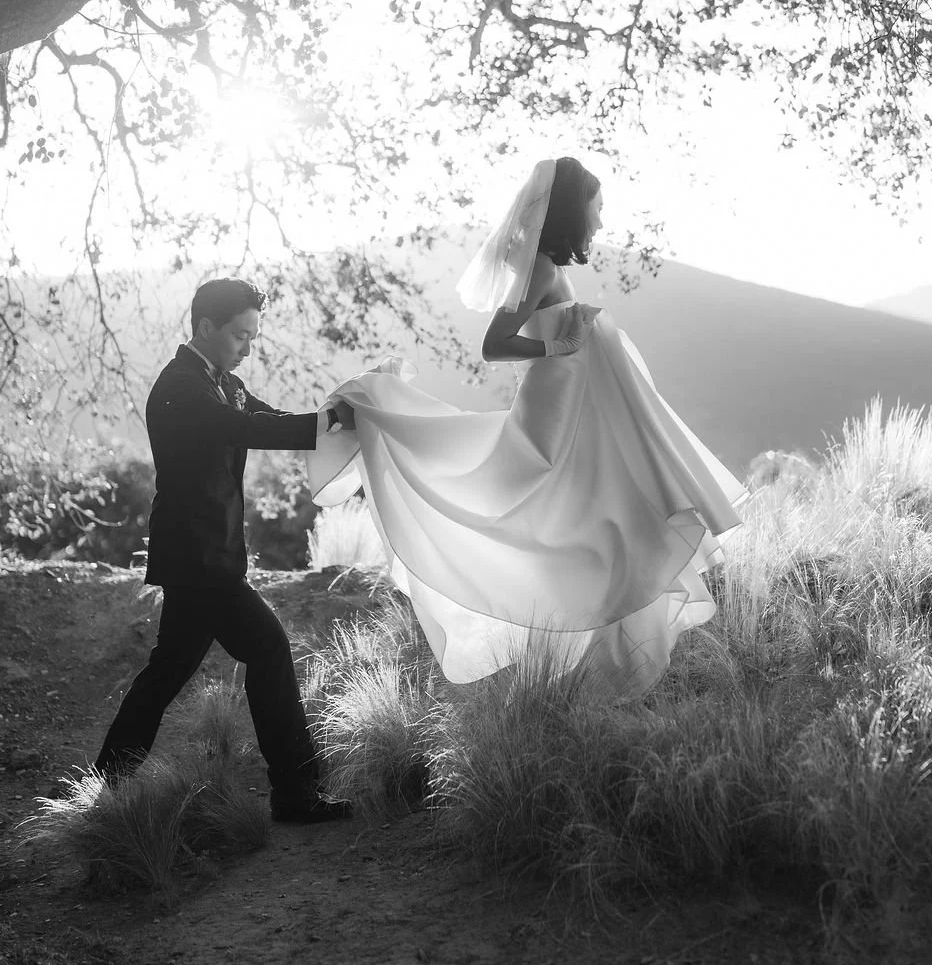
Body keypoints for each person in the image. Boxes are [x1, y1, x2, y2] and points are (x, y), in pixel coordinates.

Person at [307, 158, 745, 696]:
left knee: (595, 526)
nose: (601, 221)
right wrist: (556, 346)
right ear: (571, 210)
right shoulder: (539, 268)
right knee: (570, 527)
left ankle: (598, 662)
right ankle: (588, 662)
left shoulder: (554, 268)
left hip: (574, 419)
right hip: (550, 428)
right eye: (597, 208)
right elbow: (495, 345)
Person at [95, 277, 356, 824]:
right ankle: (294, 793)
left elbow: (273, 419)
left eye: (254, 336)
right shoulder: (180, 389)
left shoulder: (223, 381)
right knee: (268, 649)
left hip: (210, 559)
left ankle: (105, 786)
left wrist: (341, 417)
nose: (248, 346)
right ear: (206, 327)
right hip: (197, 561)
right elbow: (244, 428)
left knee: (167, 672)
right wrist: (327, 423)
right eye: (241, 334)